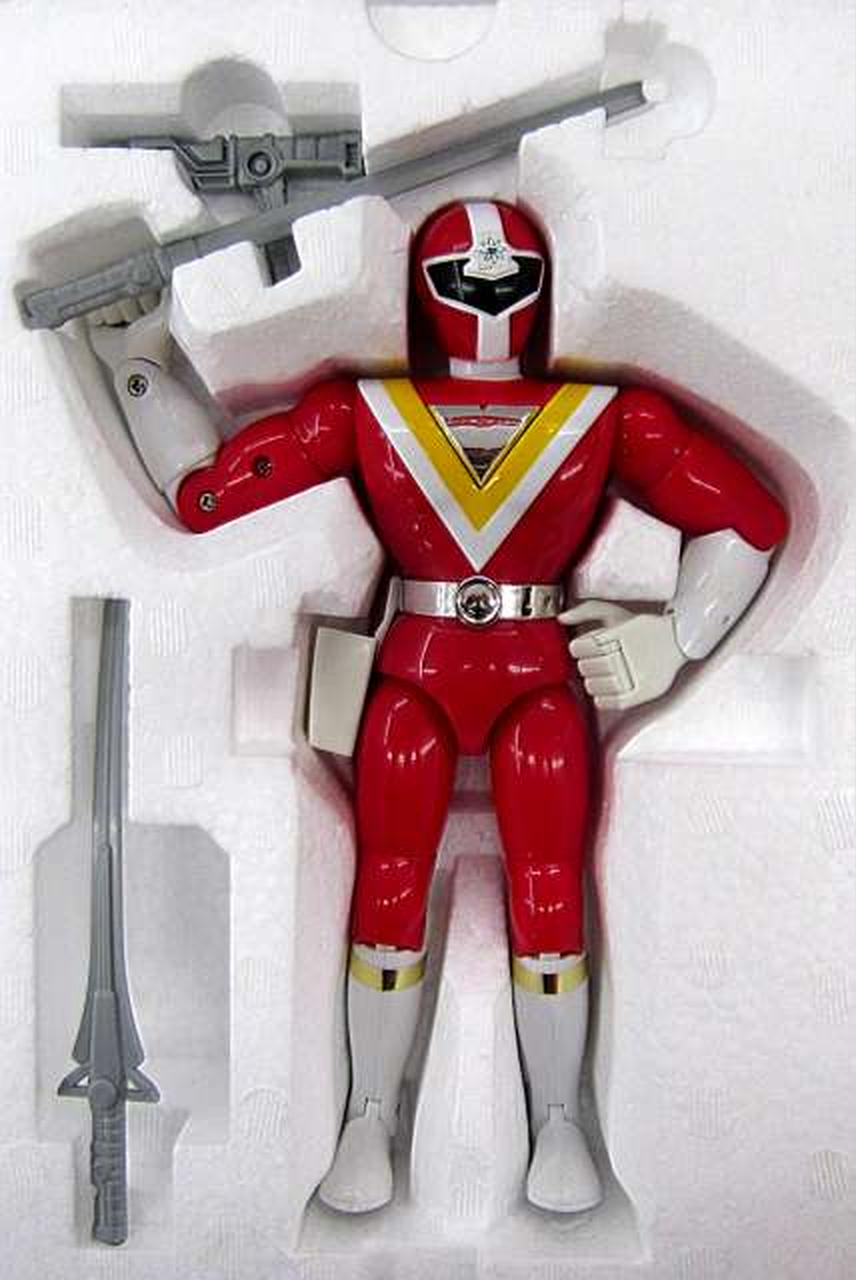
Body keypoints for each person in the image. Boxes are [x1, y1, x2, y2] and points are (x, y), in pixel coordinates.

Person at [108, 199, 787, 1214]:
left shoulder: (598, 418)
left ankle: (556, 1118)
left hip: (526, 675)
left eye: (506, 267)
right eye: (466, 268)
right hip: (420, 674)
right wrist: (134, 356)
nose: (486, 283)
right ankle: (367, 1115)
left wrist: (679, 635)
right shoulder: (379, 413)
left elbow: (750, 519)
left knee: (546, 888)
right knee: (392, 881)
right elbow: (207, 494)